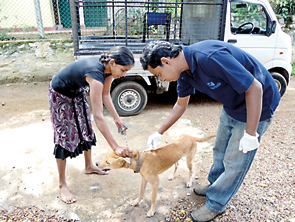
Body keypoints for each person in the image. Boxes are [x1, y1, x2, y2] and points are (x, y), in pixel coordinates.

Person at [140, 40, 280, 221]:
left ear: (166, 61)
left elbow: (255, 88)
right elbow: (180, 105)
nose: (162, 79)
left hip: (257, 105)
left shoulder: (209, 58)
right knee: (219, 149)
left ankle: (216, 203)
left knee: (235, 161)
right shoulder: (184, 72)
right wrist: (159, 132)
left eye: (159, 74)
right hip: (232, 106)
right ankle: (214, 185)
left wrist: (251, 134)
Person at [48, 46, 134, 204]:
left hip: (76, 92)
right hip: (60, 93)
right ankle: (62, 184)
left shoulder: (108, 69)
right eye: (123, 70)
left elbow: (106, 95)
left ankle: (89, 166)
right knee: (64, 137)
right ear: (113, 62)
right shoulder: (95, 74)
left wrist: (117, 119)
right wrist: (115, 147)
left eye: (126, 71)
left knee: (86, 128)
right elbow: (99, 117)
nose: (124, 74)